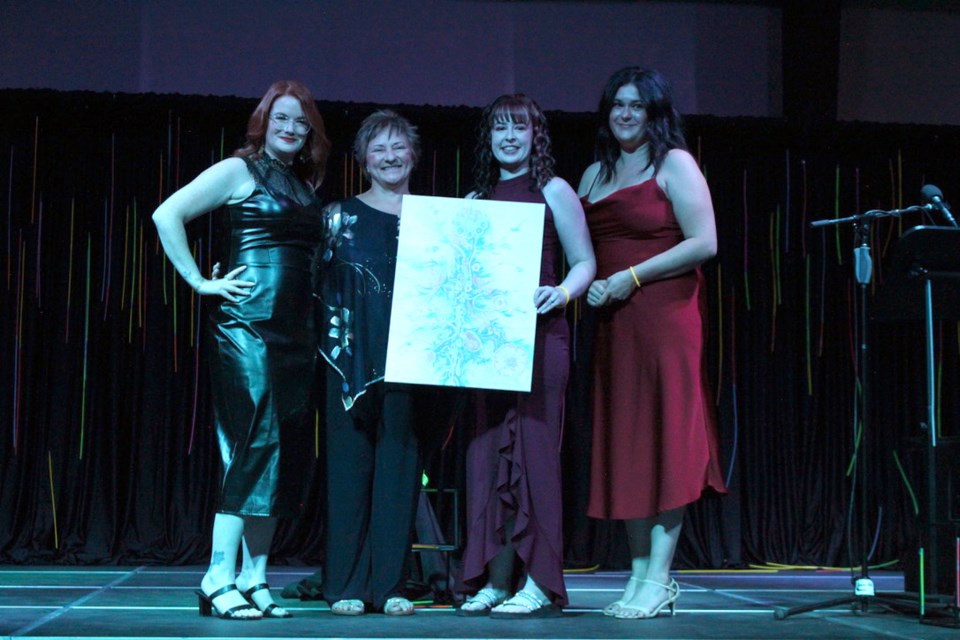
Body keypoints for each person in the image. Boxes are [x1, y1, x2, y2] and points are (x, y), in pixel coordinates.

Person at [152, 80, 330, 620]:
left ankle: (255, 578)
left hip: (296, 335)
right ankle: (216, 577)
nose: (291, 128)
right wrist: (200, 282)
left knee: (284, 453)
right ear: (263, 120)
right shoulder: (240, 170)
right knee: (252, 447)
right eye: (282, 118)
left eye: (301, 121)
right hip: (247, 328)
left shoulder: (303, 184)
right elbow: (167, 214)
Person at [577, 67, 726, 620]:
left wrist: (631, 277)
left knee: (666, 441)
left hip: (665, 320)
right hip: (614, 325)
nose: (625, 114)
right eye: (617, 104)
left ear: (655, 113)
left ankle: (660, 578)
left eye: (637, 106)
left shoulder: (675, 164)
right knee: (629, 445)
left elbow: (705, 242)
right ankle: (638, 574)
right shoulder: (593, 175)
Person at [458, 94, 596, 619]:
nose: (509, 137)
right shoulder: (475, 197)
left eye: (520, 127)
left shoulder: (554, 190)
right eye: (499, 128)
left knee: (534, 459)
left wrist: (561, 293)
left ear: (537, 135)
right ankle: (495, 579)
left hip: (541, 340)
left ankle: (539, 583)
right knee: (487, 459)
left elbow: (584, 262)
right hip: (487, 348)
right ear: (488, 138)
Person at [316, 110, 423, 616]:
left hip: (414, 363)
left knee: (399, 475)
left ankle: (392, 585)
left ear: (413, 155)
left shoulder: (436, 218)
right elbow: (310, 284)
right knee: (348, 474)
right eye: (378, 148)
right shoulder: (336, 216)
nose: (389, 156)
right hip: (348, 363)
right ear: (363, 159)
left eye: (398, 146)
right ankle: (346, 585)